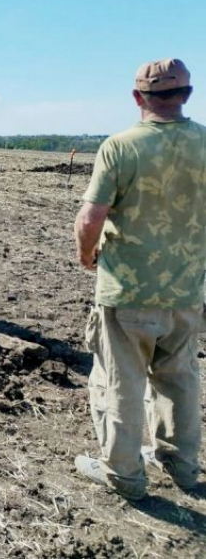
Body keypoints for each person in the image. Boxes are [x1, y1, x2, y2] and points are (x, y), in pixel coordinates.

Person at [73, 58, 206, 499]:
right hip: (186, 290)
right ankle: (183, 466)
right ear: (187, 94)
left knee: (120, 381)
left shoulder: (120, 146)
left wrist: (86, 253)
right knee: (180, 378)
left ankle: (125, 475)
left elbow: (91, 218)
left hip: (128, 291)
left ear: (137, 98)